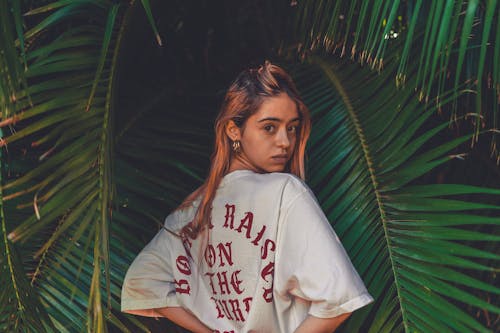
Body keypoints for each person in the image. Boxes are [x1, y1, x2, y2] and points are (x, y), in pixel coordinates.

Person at [121, 61, 373, 332]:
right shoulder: (284, 193)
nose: (285, 142)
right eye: (269, 127)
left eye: (292, 127)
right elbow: (338, 300)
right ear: (233, 130)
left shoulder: (191, 212)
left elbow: (141, 281)